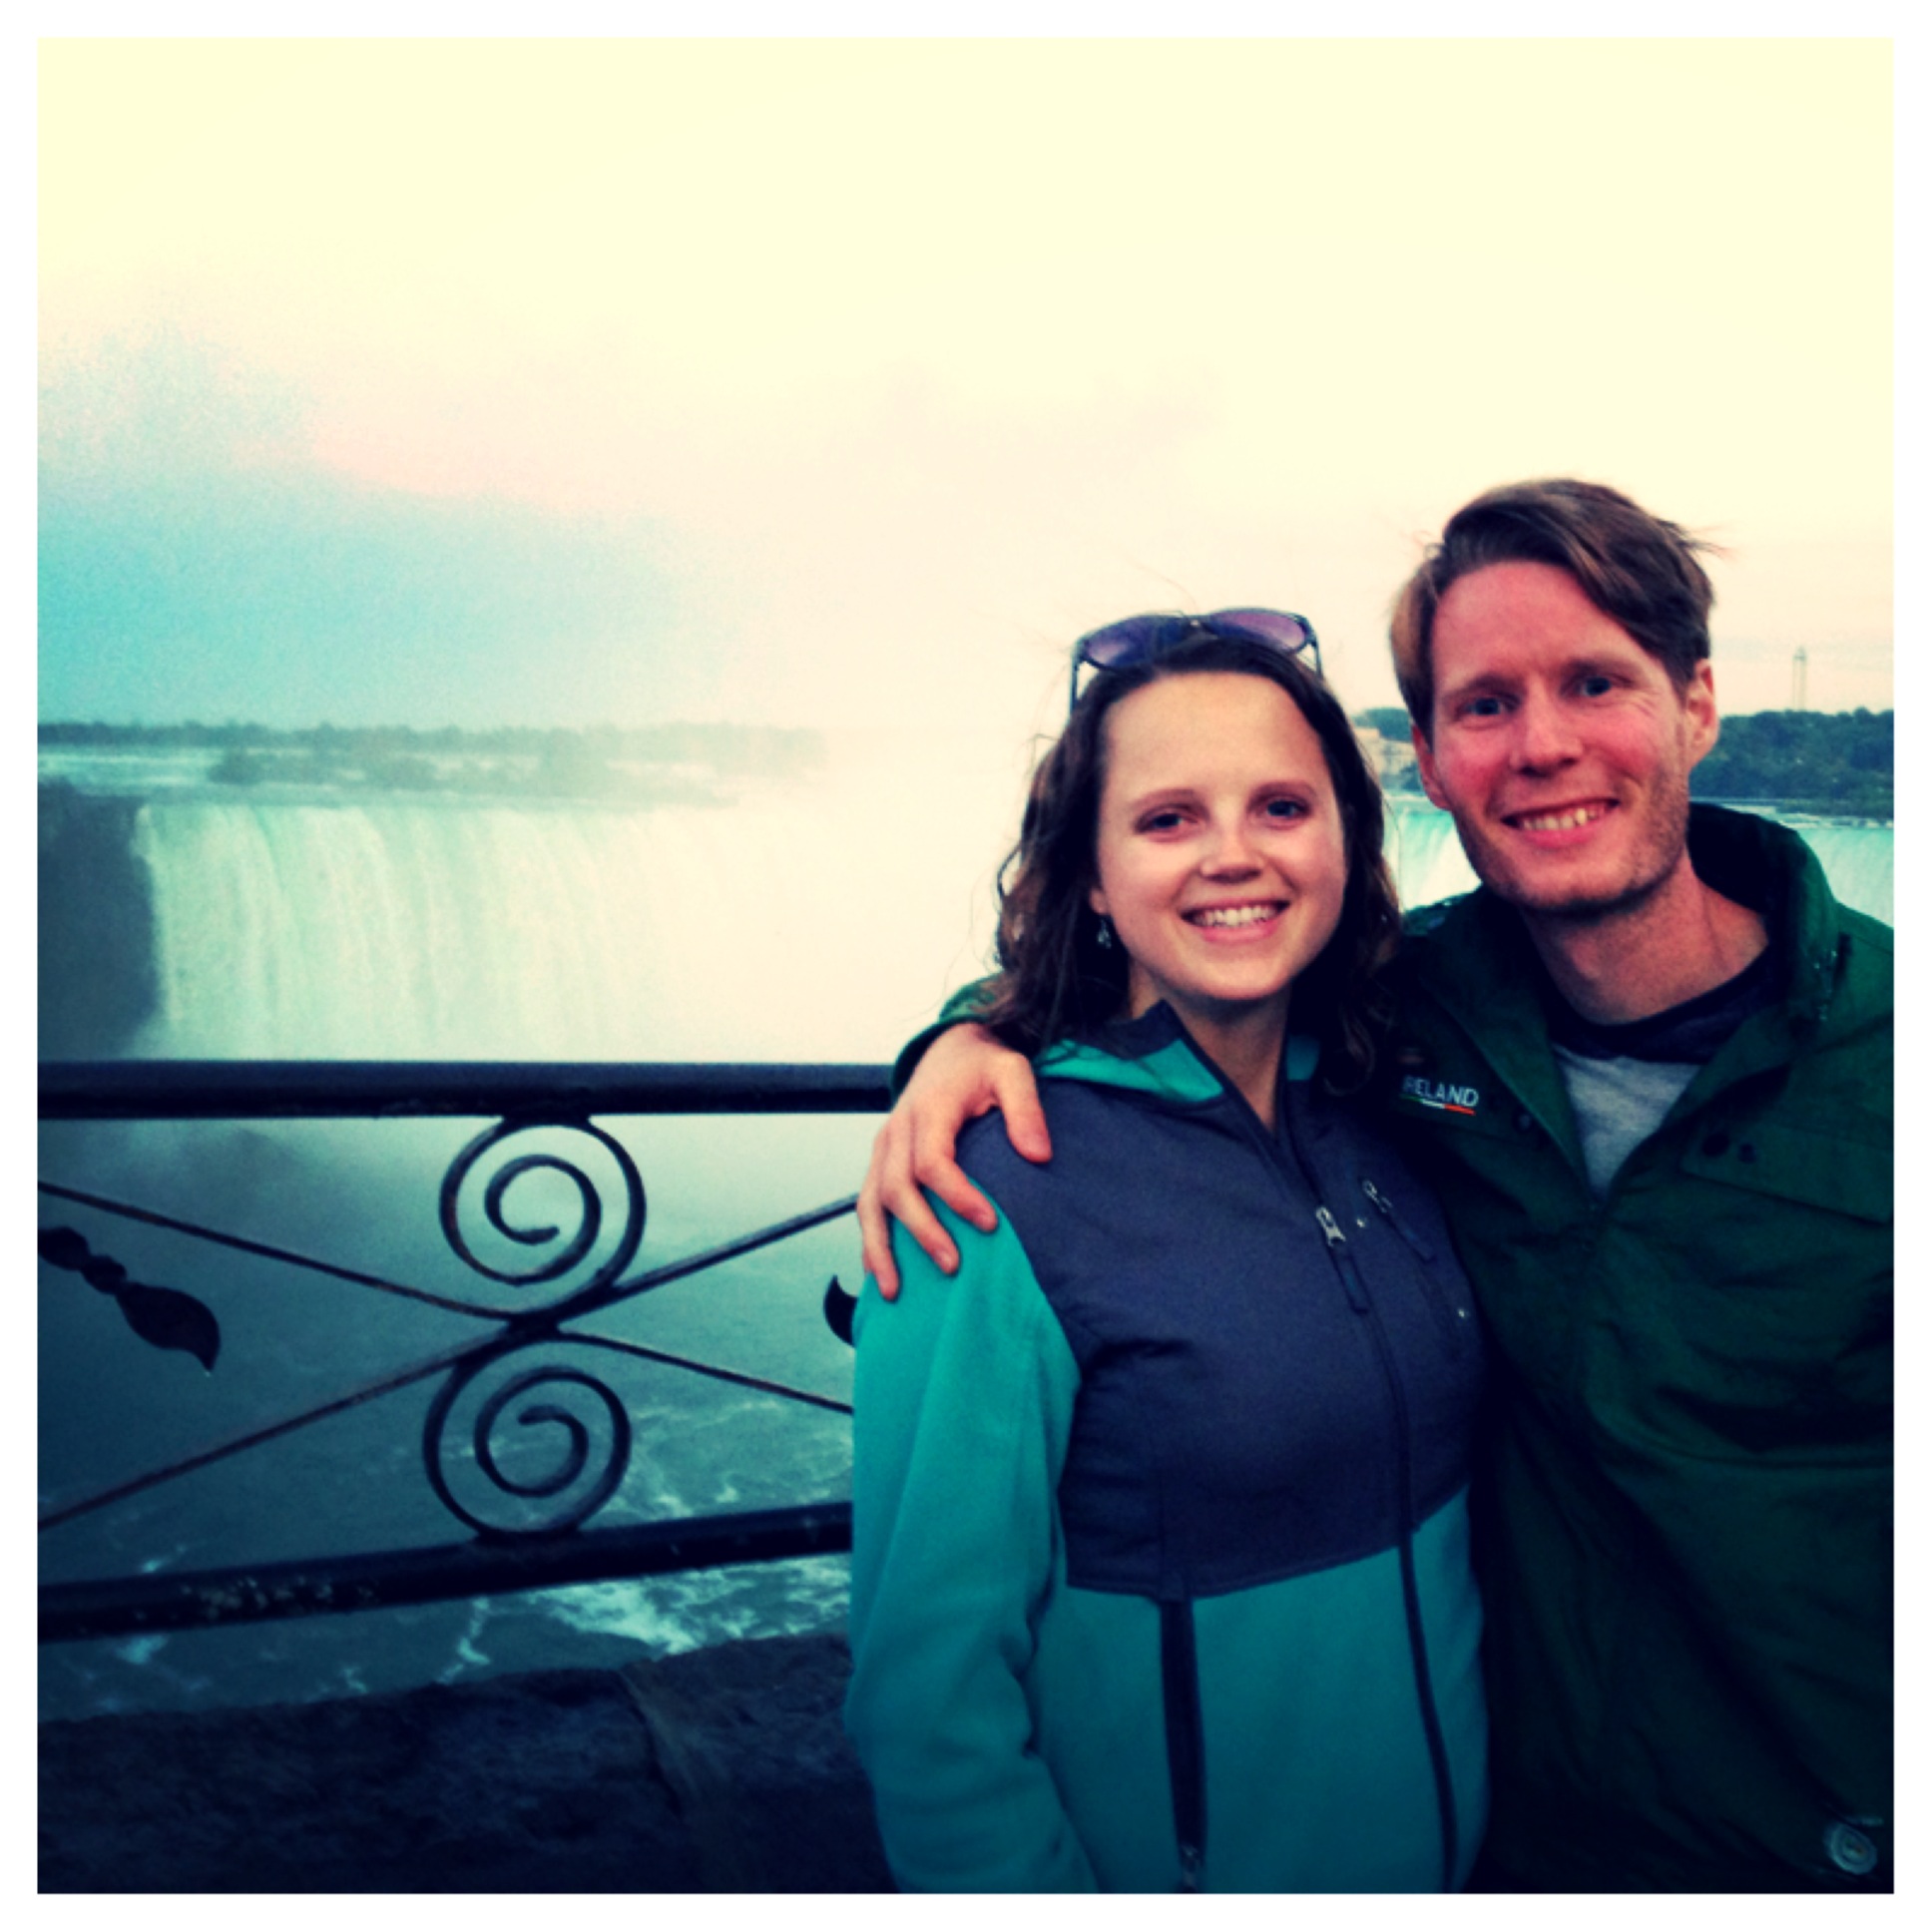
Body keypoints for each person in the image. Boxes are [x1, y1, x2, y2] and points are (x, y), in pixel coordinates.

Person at [859, 480, 1893, 1893]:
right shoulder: (1390, 1041)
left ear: (1697, 702)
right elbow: (928, 1700)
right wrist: (965, 1042)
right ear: (1432, 764)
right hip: (1527, 1846)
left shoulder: (1867, 1049)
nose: (1542, 744)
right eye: (1484, 705)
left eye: (1595, 682)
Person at [844, 616, 1490, 1891]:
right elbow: (928, 1708)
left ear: (1345, 840)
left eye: (1281, 806)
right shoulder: (984, 1189)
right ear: (1090, 874)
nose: (1232, 854)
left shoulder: (1390, 1104)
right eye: (1167, 819)